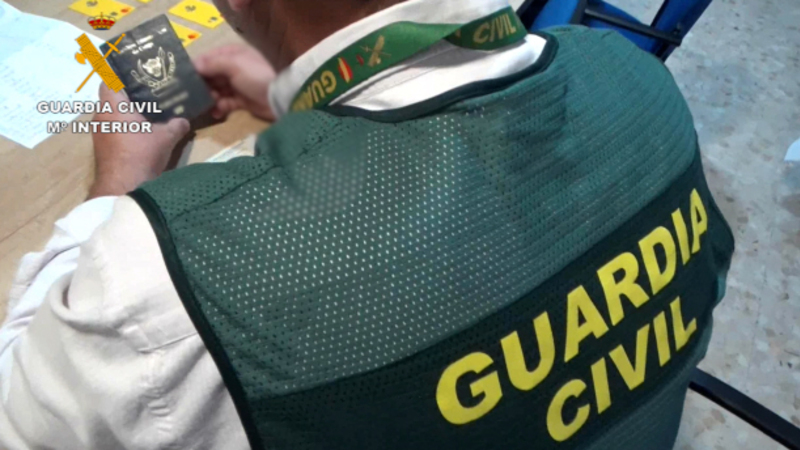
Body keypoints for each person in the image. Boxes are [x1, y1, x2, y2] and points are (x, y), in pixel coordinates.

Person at [0, 0, 735, 448]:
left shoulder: (168, 282)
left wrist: (121, 179)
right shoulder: (639, 80)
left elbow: (19, 417)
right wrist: (304, 99)